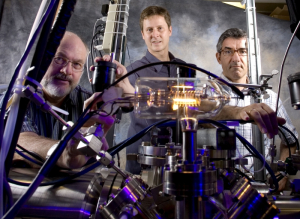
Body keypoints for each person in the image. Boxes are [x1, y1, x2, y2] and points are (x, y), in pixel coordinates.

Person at [93, 8, 287, 175]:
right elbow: (129, 98)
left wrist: (238, 112)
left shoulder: (186, 69)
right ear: (143, 34)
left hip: (178, 164)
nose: (155, 34)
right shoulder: (134, 72)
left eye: (160, 28)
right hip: (144, 165)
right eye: (149, 30)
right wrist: (121, 89)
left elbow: (199, 106)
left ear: (169, 31)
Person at [4, 31, 115, 169]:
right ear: (42, 59)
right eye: (59, 59)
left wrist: (124, 92)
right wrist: (65, 152)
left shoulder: (90, 103)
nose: (66, 70)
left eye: (76, 64)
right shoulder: (16, 98)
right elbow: (20, 142)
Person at [215, 28, 298, 163]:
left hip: (260, 180)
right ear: (218, 57)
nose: (236, 59)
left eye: (243, 51)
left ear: (251, 56)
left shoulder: (268, 97)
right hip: (216, 181)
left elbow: (291, 140)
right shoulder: (205, 97)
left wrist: (282, 176)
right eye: (228, 51)